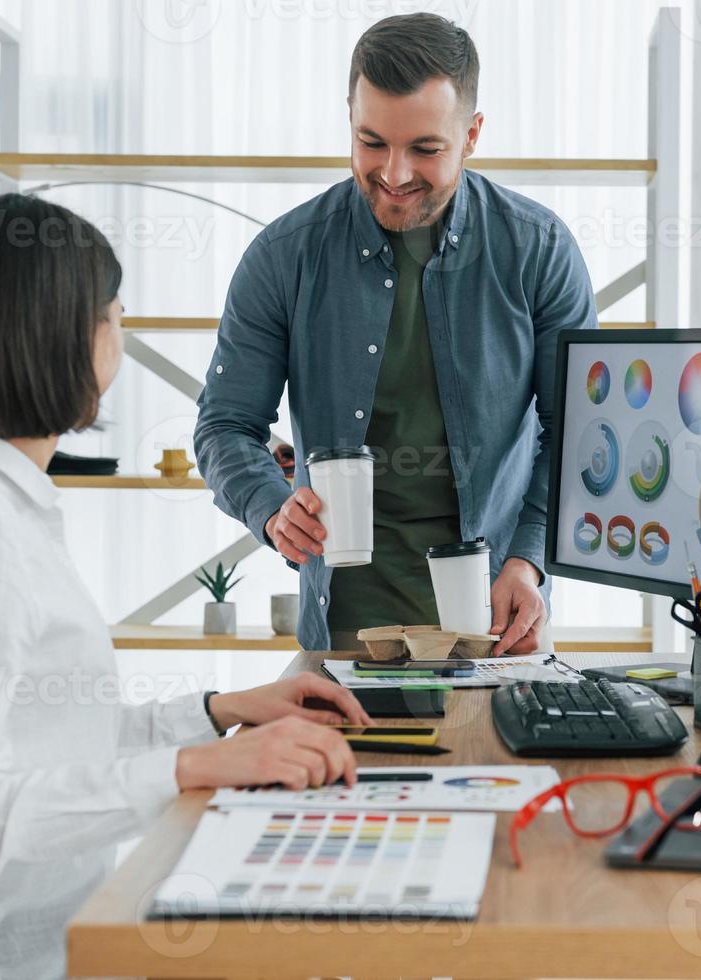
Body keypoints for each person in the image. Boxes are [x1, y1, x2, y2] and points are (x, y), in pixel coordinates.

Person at [0, 193, 371, 980]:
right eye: (113, 315)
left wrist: (214, 714)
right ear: (59, 339)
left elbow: (42, 737)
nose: (119, 336)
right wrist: (195, 767)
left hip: (44, 928)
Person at [195, 13, 598, 654]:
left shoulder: (538, 250)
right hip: (345, 635)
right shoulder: (283, 255)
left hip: (497, 627)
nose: (394, 172)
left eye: (426, 149)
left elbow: (578, 437)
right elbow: (223, 426)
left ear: (472, 134)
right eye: (372, 141)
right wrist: (270, 509)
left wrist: (529, 559)